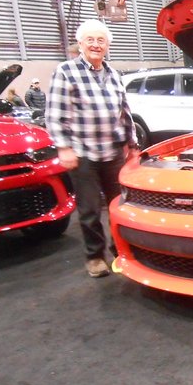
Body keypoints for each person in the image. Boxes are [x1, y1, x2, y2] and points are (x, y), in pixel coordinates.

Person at [45, 19, 139, 278]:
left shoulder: (113, 74)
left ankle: (121, 252)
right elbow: (55, 114)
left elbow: (125, 113)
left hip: (113, 153)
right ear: (80, 44)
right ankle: (95, 257)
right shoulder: (66, 71)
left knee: (118, 207)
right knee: (88, 210)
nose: (96, 45)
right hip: (83, 153)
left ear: (108, 45)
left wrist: (132, 145)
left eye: (101, 40)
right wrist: (63, 147)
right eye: (90, 40)